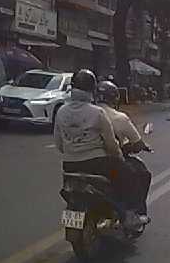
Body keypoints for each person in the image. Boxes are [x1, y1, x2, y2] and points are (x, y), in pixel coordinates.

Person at [53, 70, 145, 228]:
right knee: (129, 175)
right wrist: (119, 160)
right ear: (92, 90)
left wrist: (73, 151)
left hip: (69, 165)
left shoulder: (61, 111)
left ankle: (78, 222)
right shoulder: (97, 113)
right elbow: (111, 145)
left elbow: (59, 143)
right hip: (99, 165)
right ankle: (130, 215)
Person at [96, 80, 151, 221]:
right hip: (109, 164)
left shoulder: (84, 113)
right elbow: (133, 143)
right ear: (114, 98)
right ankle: (136, 213)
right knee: (140, 174)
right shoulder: (117, 117)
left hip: (79, 162)